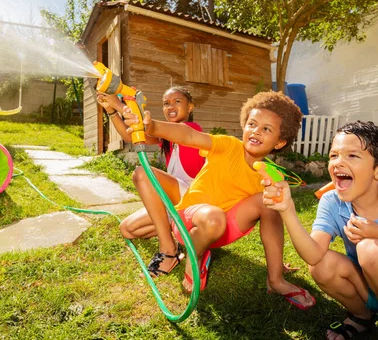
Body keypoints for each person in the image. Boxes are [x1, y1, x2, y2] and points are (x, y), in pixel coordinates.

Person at [123, 91, 316, 308]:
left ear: (279, 142)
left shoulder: (270, 174)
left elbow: (275, 220)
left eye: (266, 129)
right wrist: (151, 126)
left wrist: (277, 261)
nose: (256, 132)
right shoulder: (228, 146)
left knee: (267, 203)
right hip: (190, 221)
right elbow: (188, 136)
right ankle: (187, 254)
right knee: (209, 214)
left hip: (224, 228)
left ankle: (275, 280)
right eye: (252, 124)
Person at [260, 121, 378, 340]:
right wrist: (287, 210)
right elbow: (313, 255)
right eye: (334, 155)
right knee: (320, 266)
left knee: (370, 249)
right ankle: (361, 316)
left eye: (352, 156)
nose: (338, 163)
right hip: (367, 286)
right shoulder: (331, 201)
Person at [97, 86, 205, 277]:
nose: (170, 106)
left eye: (177, 101)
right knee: (127, 229)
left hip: (194, 199)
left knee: (142, 174)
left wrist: (120, 105)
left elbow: (147, 126)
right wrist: (112, 111)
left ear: (190, 107)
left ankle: (169, 251)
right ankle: (177, 232)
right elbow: (131, 135)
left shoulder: (192, 129)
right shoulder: (166, 138)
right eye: (166, 103)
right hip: (175, 200)